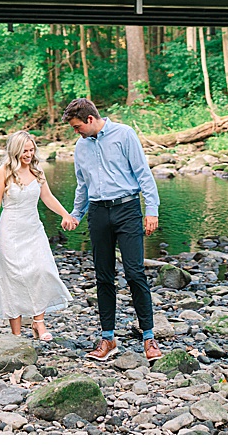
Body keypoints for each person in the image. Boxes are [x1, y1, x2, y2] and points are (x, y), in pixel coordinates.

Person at [58, 97, 162, 362]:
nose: (76, 131)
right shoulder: (80, 148)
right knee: (103, 276)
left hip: (127, 210)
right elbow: (82, 185)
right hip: (98, 213)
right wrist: (75, 214)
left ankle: (148, 338)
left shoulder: (124, 135)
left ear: (90, 120)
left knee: (135, 272)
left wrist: (152, 210)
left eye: (77, 126)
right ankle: (108, 339)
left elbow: (143, 174)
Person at [0, 130, 71, 341]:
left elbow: (47, 197)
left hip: (33, 229)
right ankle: (16, 334)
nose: (29, 154)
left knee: (42, 271)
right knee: (13, 278)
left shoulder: (37, 170)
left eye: (32, 150)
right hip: (10, 231)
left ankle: (38, 323)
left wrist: (64, 214)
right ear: (15, 151)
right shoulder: (3, 172)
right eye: (25, 151)